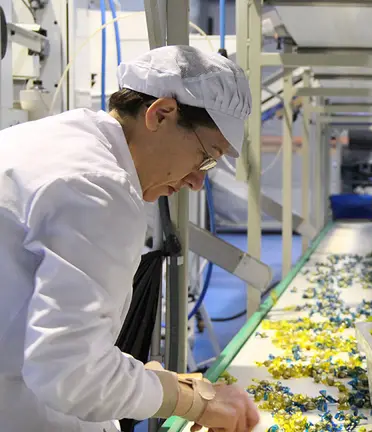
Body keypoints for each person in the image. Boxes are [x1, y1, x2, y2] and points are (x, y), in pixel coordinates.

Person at [0, 46, 260, 431]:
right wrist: (192, 401)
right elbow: (71, 374)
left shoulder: (54, 140)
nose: (197, 181)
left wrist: (150, 379)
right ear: (161, 114)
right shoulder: (99, 186)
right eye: (206, 156)